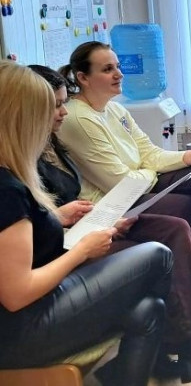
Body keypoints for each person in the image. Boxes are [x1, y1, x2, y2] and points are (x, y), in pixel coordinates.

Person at [0, 61, 173, 386]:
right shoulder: (6, 188)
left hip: (26, 318)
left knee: (149, 309)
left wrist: (56, 219)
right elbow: (17, 293)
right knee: (158, 255)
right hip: (18, 331)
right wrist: (82, 250)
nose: (57, 118)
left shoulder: (11, 181)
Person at [55, 41, 191, 245]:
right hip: (114, 201)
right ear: (83, 78)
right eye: (108, 69)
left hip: (139, 184)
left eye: (118, 66)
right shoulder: (78, 118)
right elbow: (121, 183)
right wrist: (150, 172)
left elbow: (149, 153)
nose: (119, 74)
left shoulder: (116, 109)